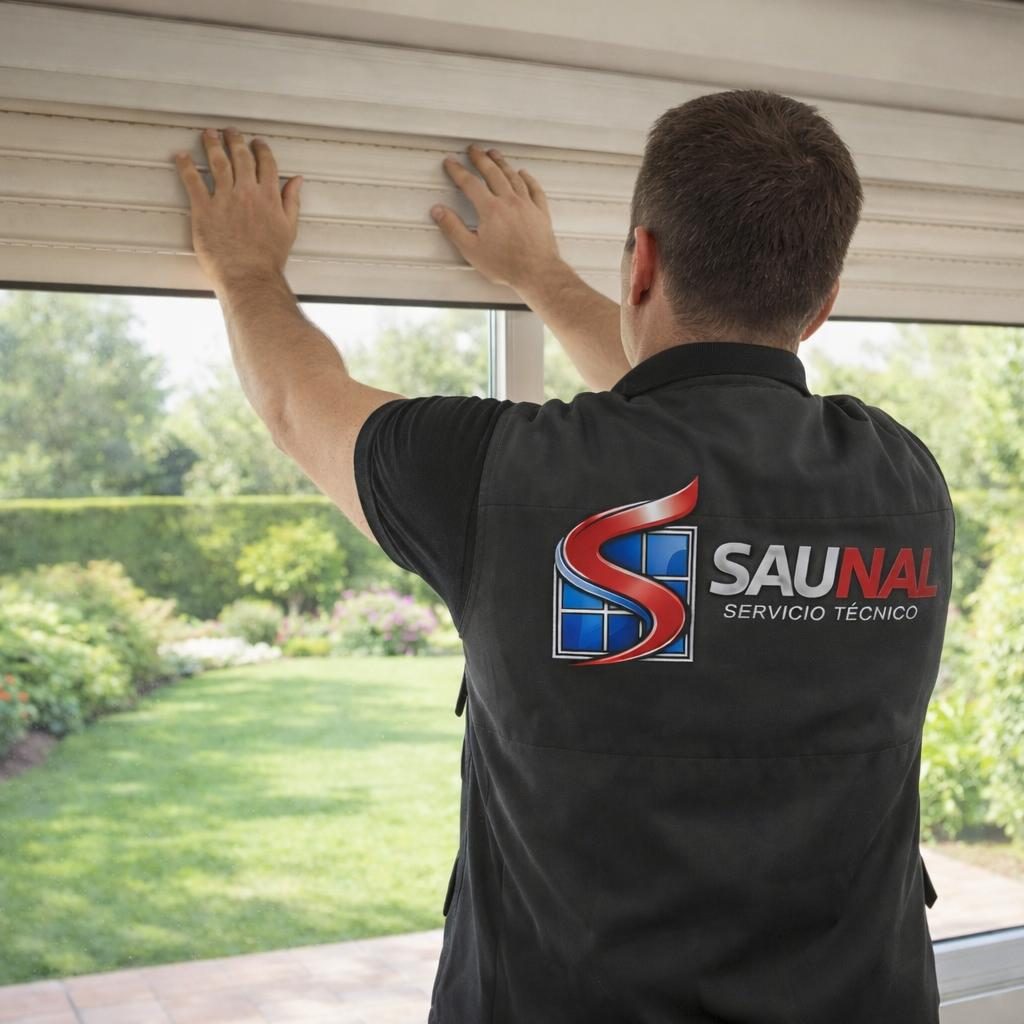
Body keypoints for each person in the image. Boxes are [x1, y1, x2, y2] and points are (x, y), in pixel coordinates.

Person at [174, 88, 952, 1023]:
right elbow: (700, 425)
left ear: (642, 262)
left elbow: (299, 403)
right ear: (823, 303)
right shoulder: (904, 484)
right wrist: (540, 278)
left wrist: (245, 267)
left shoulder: (495, 476)